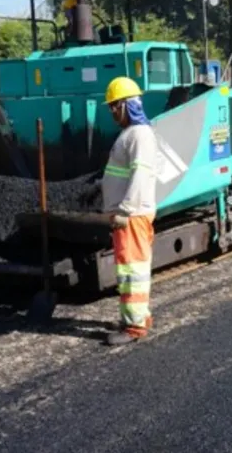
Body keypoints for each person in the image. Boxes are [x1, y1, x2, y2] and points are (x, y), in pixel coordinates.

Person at [101, 77, 159, 346]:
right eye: (110, 107)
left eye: (115, 106)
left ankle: (134, 327)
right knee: (129, 270)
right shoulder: (130, 134)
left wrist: (124, 209)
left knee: (132, 272)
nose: (112, 111)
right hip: (127, 215)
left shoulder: (139, 135)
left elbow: (140, 175)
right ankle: (137, 317)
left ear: (129, 105)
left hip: (131, 217)